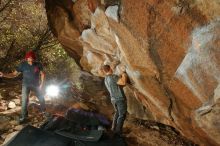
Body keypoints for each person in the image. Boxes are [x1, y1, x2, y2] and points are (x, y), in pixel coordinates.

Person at [0, 50, 47, 124]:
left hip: (36, 85)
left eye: (32, 58)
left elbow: (43, 74)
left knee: (41, 98)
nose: (30, 59)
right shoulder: (22, 65)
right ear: (26, 58)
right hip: (26, 85)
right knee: (24, 101)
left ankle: (44, 112)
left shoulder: (38, 64)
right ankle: (23, 118)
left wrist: (42, 84)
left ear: (34, 58)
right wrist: (4, 75)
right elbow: (14, 74)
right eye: (29, 58)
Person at [102, 64, 127, 135]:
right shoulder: (113, 77)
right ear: (110, 69)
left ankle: (113, 128)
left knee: (117, 113)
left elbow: (116, 84)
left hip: (113, 99)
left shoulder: (105, 79)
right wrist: (123, 74)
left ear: (104, 71)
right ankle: (118, 132)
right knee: (122, 115)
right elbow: (123, 82)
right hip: (119, 98)